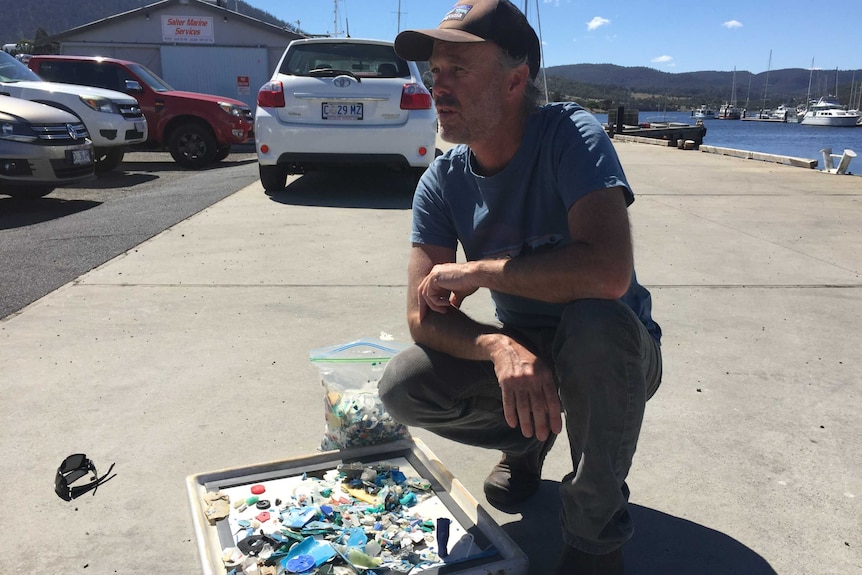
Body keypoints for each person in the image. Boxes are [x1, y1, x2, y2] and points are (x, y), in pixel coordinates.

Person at [377, 1, 663, 573]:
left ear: (515, 79)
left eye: (459, 70)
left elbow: (608, 274)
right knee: (405, 385)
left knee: (594, 323)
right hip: (526, 342)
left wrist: (479, 271)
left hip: (616, 351)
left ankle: (594, 537)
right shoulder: (441, 181)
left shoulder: (570, 135)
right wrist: (500, 347)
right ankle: (526, 443)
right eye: (435, 72)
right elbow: (422, 316)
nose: (439, 87)